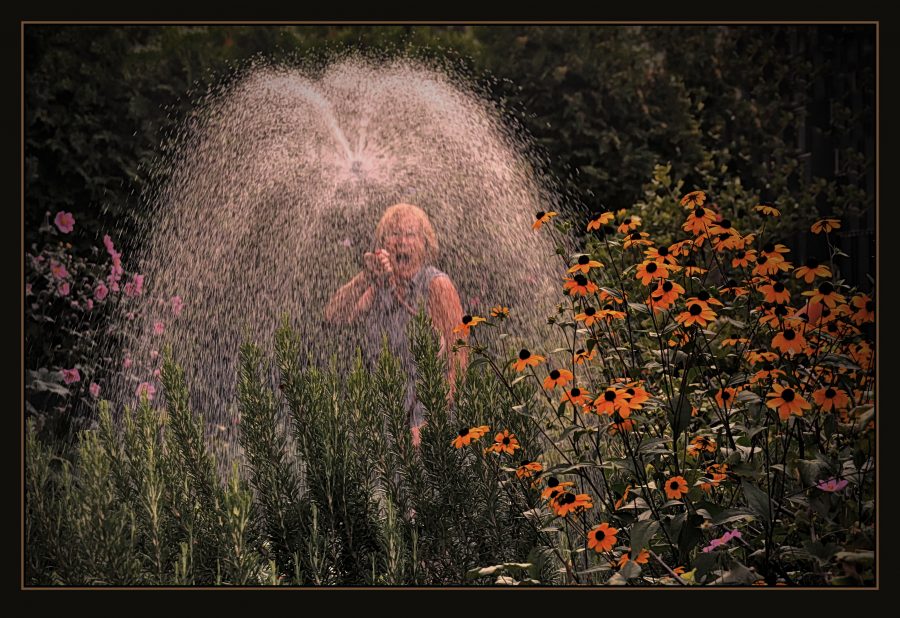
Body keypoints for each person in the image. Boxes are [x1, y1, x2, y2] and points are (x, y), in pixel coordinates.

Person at [324, 203, 467, 446]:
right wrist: (365, 277)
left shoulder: (437, 286)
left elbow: (460, 365)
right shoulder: (379, 285)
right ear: (383, 245)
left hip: (428, 419)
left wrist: (429, 424)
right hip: (383, 416)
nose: (401, 242)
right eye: (393, 234)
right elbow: (333, 316)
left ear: (425, 244)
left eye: (410, 234)